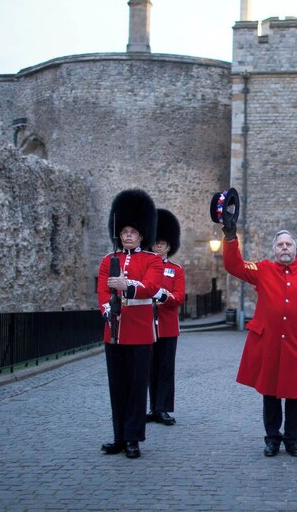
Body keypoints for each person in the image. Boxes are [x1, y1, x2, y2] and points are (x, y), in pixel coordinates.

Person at [221, 222, 297, 458]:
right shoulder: (262, 269)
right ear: (274, 249)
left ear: (295, 248)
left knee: (296, 396)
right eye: (280, 244)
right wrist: (230, 237)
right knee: (269, 394)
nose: (284, 248)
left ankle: (292, 439)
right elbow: (234, 265)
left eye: (288, 244)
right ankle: (272, 438)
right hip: (269, 343)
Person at [97, 189, 163, 459]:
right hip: (114, 332)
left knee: (137, 388)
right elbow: (102, 290)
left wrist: (128, 286)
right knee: (118, 387)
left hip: (139, 332)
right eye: (124, 231)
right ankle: (119, 438)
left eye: (133, 232)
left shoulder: (152, 260)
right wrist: (107, 311)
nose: (127, 236)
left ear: (141, 235)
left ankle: (134, 438)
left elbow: (152, 287)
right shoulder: (107, 260)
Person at [147, 208, 185, 426]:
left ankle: (163, 408)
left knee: (165, 369)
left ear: (169, 246)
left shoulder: (175, 270)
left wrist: (163, 296)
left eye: (163, 243)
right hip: (146, 325)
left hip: (167, 326)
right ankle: (152, 407)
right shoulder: (145, 267)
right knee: (148, 369)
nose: (159, 246)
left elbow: (179, 297)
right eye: (156, 242)